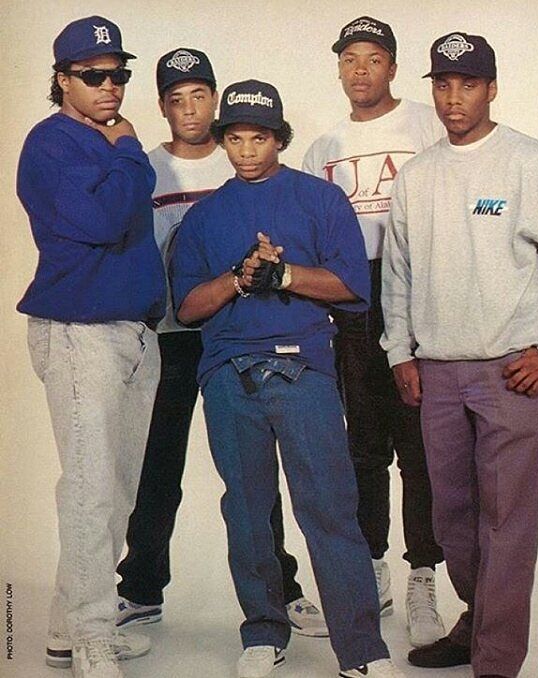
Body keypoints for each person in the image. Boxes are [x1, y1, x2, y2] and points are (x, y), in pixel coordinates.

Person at [381, 31, 538, 678]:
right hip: (438, 372)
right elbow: (398, 275)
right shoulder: (418, 178)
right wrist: (400, 352)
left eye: (468, 84)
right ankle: (480, 622)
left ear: (492, 87)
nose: (454, 99)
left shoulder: (530, 163)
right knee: (453, 522)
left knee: (507, 523)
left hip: (513, 371)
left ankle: (495, 662)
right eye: (443, 85)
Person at [171, 79, 405, 678]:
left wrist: (284, 275)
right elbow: (188, 307)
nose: (248, 150)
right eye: (237, 138)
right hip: (229, 374)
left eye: (260, 137)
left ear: (279, 138)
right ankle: (264, 631)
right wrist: (240, 278)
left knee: (329, 507)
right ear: (224, 141)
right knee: (247, 510)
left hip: (304, 366)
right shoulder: (205, 216)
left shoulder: (320, 201)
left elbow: (353, 287)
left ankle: (362, 649)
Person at [115, 48, 326, 639]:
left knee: (259, 468)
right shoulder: (147, 167)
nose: (189, 110)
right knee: (159, 467)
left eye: (199, 96)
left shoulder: (242, 163)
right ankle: (140, 589)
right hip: (170, 338)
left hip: (241, 335)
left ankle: (282, 588)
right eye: (175, 99)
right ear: (161, 106)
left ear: (216, 98)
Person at [17, 16, 166, 678]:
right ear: (62, 80)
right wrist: (129, 148)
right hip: (80, 334)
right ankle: (90, 634)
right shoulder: (50, 145)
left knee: (118, 491)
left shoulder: (104, 148)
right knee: (90, 489)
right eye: (94, 76)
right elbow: (108, 220)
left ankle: (61, 627)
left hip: (133, 330)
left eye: (119, 75)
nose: (111, 88)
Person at [302, 15, 445, 647]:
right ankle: (373, 567)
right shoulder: (322, 147)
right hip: (352, 296)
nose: (361, 71)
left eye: (374, 58)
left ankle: (424, 578)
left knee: (419, 443)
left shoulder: (425, 122)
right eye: (349, 59)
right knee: (362, 443)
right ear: (339, 68)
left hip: (419, 287)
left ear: (392, 65)